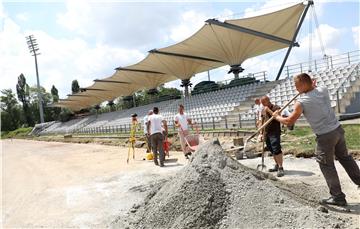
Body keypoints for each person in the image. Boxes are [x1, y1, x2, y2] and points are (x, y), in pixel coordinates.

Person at [272, 73, 360, 206]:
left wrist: (277, 117)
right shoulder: (323, 90)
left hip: (325, 136)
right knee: (345, 158)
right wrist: (311, 86)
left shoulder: (301, 102)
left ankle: (337, 196)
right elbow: (315, 86)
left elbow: (290, 121)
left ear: (302, 84)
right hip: (337, 130)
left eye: (296, 86)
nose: (296, 89)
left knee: (326, 164)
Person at [260, 96, 284, 177]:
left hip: (274, 132)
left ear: (268, 101)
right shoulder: (263, 110)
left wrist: (269, 110)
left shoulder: (276, 107)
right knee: (271, 149)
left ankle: (281, 167)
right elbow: (262, 121)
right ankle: (277, 165)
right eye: (262, 103)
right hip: (266, 132)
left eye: (264, 102)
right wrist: (261, 133)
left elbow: (278, 117)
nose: (263, 104)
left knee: (276, 148)